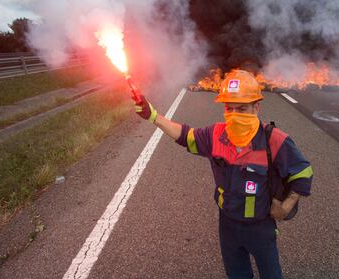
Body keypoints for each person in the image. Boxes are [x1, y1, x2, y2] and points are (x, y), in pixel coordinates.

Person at [132, 69, 313, 279]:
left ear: (257, 107)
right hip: (227, 225)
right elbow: (184, 135)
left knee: (271, 274)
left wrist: (286, 205)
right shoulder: (215, 135)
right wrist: (153, 115)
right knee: (237, 275)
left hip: (260, 227)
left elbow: (303, 171)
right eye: (229, 108)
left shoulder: (274, 140)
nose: (235, 114)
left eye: (242, 108)